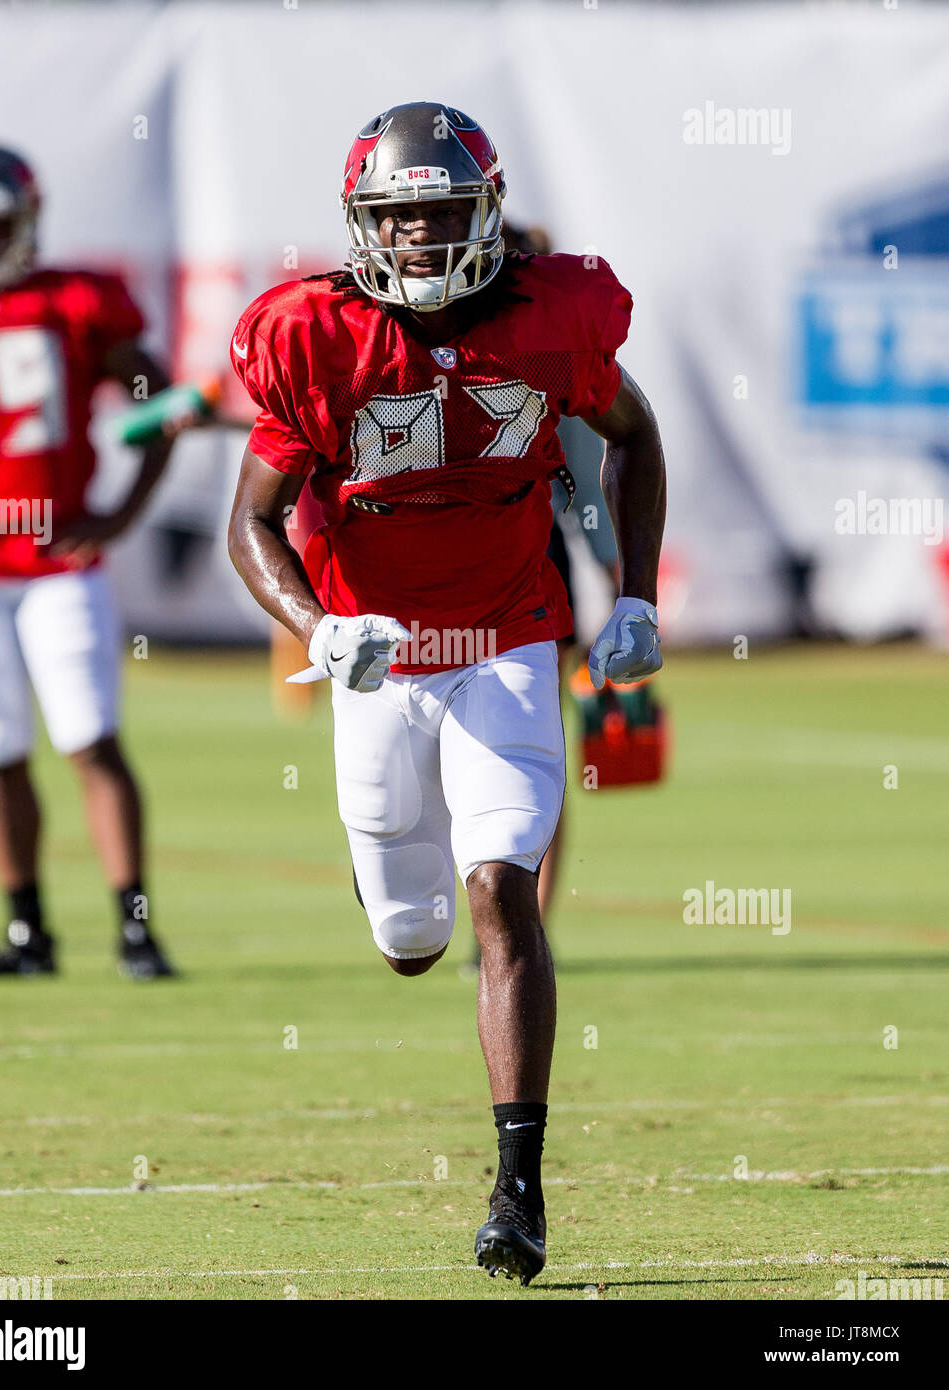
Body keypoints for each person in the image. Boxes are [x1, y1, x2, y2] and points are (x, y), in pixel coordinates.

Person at [227, 103, 665, 1286]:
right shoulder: (314, 335)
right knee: (412, 939)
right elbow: (252, 521)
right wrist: (320, 630)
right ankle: (418, 925)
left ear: (486, 208)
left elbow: (633, 434)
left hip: (509, 639)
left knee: (500, 895)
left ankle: (517, 1188)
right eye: (396, 212)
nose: (419, 233)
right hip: (378, 660)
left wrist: (632, 594)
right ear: (362, 222)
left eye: (439, 207)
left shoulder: (551, 317)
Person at [0, 145, 185, 979]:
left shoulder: (76, 301)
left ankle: (135, 928)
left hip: (58, 566)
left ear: (27, 220)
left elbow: (161, 402)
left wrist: (119, 513)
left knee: (91, 741)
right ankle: (26, 934)